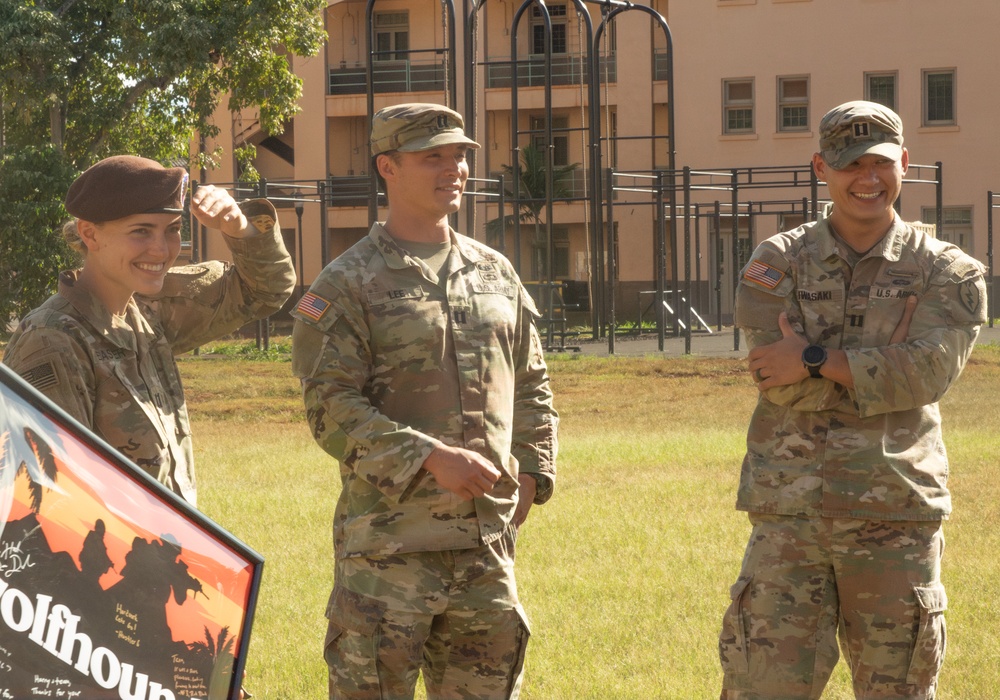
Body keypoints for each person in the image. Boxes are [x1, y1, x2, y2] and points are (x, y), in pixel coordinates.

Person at [717, 100, 988, 699]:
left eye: (881, 163)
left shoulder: (949, 271)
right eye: (849, 164)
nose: (868, 178)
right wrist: (879, 367)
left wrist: (816, 357)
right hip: (789, 517)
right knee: (763, 688)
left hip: (895, 514)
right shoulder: (776, 261)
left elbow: (927, 377)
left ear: (905, 164)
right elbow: (775, 377)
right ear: (821, 167)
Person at [291, 103, 558, 699]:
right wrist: (430, 457)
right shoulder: (348, 281)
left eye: (460, 155)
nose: (454, 167)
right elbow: (329, 406)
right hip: (389, 552)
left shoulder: (494, 272)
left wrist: (535, 471)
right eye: (432, 156)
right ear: (388, 167)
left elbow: (532, 382)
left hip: (484, 551)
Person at [3, 155, 296, 507]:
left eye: (172, 230)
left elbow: (265, 291)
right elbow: (48, 495)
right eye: (141, 230)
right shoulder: (53, 340)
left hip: (163, 549)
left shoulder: (146, 311)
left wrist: (240, 227)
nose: (161, 249)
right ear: (89, 233)